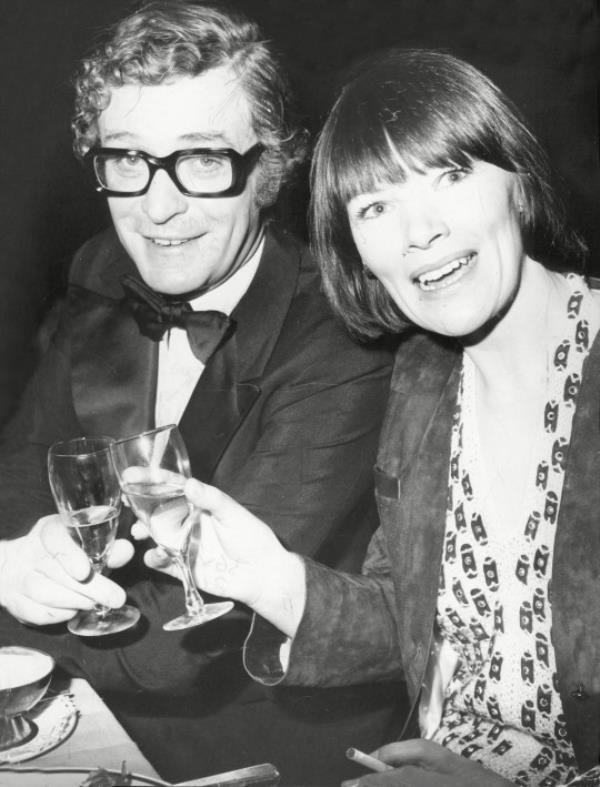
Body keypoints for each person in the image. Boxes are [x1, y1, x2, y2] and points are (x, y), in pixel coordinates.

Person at [161, 49, 600, 786]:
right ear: (359, 254)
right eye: (374, 207)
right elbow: (416, 614)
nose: (418, 231)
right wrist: (269, 577)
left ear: (520, 184)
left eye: (450, 176)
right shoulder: (422, 376)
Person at [0, 4, 402, 784]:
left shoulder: (342, 331)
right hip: (82, 709)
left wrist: (20, 589)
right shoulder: (101, 272)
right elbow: (18, 479)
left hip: (261, 748)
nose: (157, 208)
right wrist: (28, 553)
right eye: (128, 159)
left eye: (203, 160)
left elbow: (178, 651)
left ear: (272, 169)